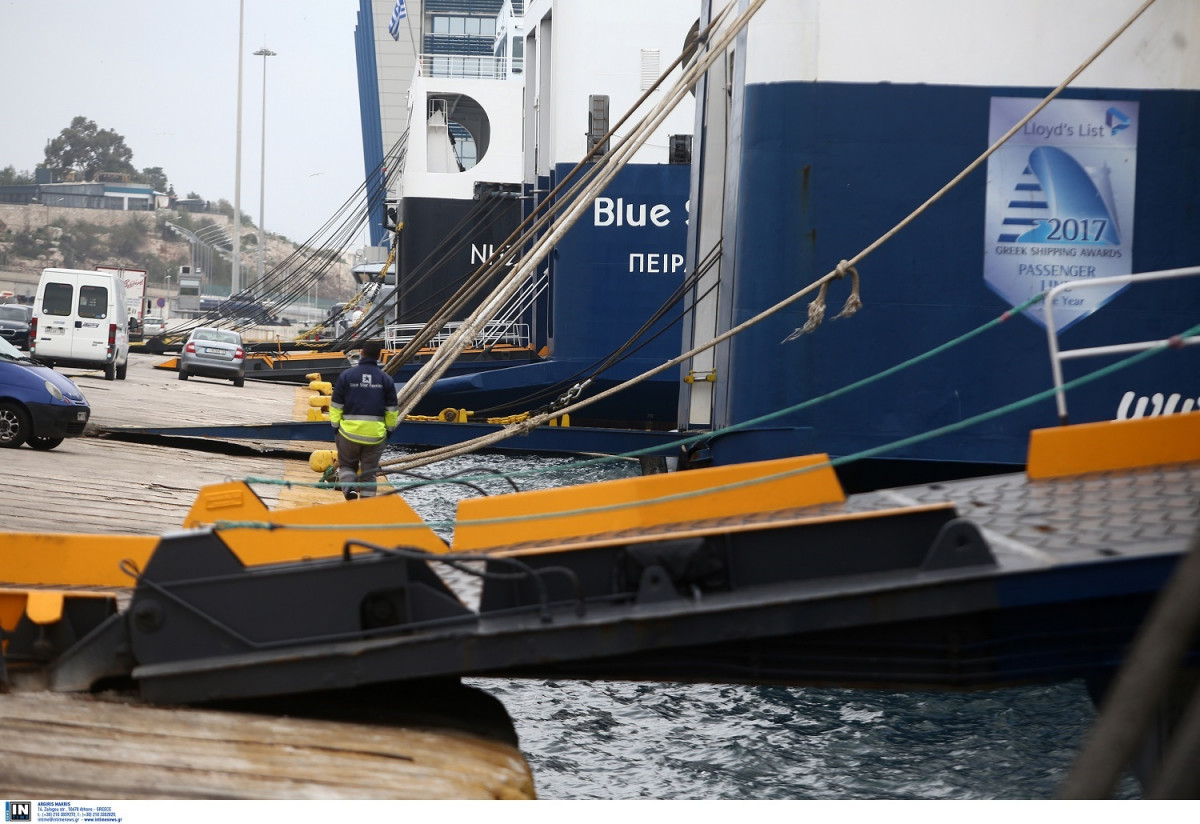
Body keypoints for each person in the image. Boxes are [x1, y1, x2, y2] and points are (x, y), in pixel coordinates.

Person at [329, 339, 398, 500]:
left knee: (347, 466)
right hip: (375, 436)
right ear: (379, 356)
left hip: (348, 433)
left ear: (361, 353)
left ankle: (350, 491)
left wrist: (336, 426)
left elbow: (336, 405)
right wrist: (388, 431)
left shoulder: (347, 376)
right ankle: (366, 504)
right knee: (369, 473)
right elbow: (392, 411)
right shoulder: (386, 380)